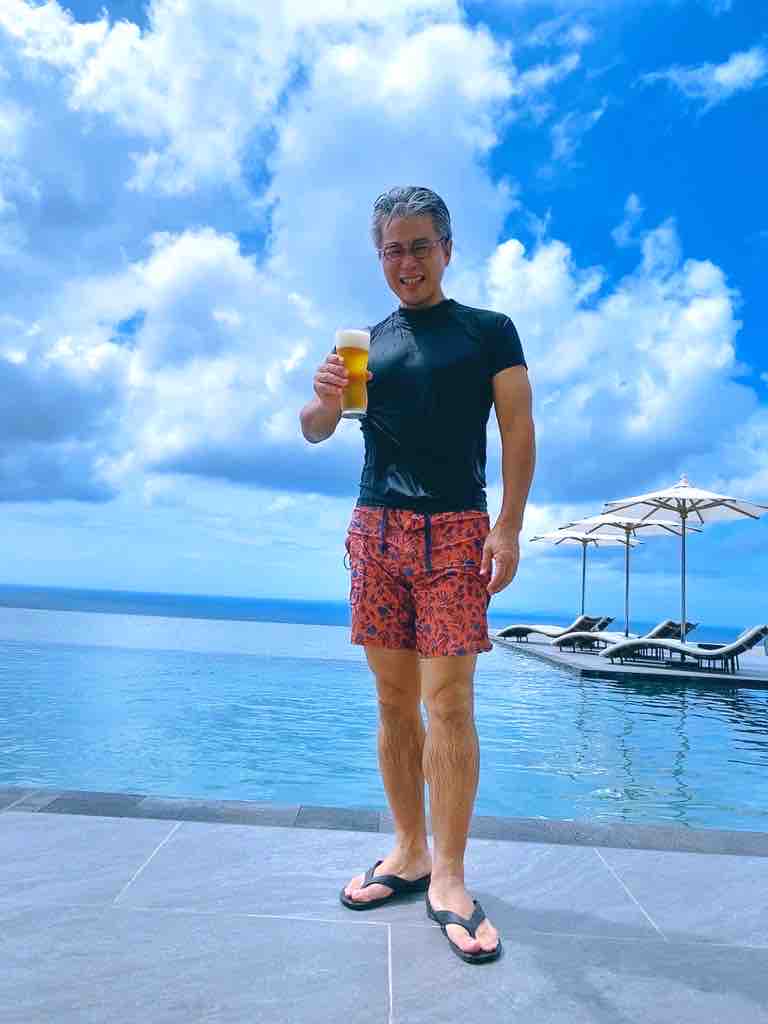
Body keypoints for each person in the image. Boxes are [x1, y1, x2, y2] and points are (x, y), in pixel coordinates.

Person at [299, 186, 535, 964]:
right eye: (393, 249)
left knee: (451, 706)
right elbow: (318, 430)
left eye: (420, 246)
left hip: (458, 532)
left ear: (447, 249)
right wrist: (322, 400)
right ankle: (409, 852)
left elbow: (517, 427)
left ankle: (452, 876)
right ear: (381, 257)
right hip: (376, 532)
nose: (407, 262)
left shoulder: (488, 332)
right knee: (394, 702)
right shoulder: (367, 343)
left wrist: (508, 526)